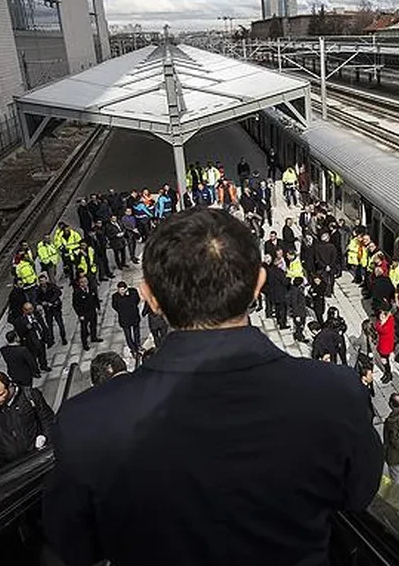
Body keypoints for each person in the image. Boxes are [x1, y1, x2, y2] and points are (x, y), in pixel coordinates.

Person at [43, 208, 381, 566]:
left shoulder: (87, 422)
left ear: (150, 297)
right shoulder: (336, 394)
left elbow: (75, 545)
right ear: (258, 284)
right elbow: (358, 495)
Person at [0, 372, 55, 469]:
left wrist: (45, 438)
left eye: (0, 394)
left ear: (10, 387)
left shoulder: (30, 395)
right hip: (10, 466)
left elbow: (47, 418)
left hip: (37, 457)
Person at [14, 302, 50, 372]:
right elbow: (20, 332)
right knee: (33, 357)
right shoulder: (21, 320)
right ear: (24, 310)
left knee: (42, 354)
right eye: (27, 310)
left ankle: (44, 366)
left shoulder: (36, 314)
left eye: (30, 309)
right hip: (31, 341)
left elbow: (42, 324)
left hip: (40, 337)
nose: (29, 311)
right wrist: (27, 328)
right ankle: (35, 370)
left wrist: (46, 334)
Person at [112, 280, 143, 359]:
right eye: (119, 290)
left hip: (134, 317)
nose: (120, 292)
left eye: (122, 290)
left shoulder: (133, 292)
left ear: (126, 289)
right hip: (124, 319)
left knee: (136, 332)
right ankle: (133, 349)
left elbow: (137, 300)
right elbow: (115, 306)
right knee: (128, 335)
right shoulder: (115, 296)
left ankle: (138, 345)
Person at [72, 275, 102, 350]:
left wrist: (98, 308)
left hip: (92, 310)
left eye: (85, 281)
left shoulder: (91, 288)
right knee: (84, 329)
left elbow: (96, 298)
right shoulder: (77, 292)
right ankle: (84, 344)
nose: (84, 283)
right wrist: (80, 315)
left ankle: (94, 337)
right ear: (79, 283)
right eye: (82, 282)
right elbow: (75, 305)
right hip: (84, 313)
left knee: (93, 325)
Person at [37, 274, 67, 346]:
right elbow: (37, 299)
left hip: (55, 307)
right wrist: (41, 303)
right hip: (47, 310)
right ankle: (51, 339)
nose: (42, 282)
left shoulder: (52, 286)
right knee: (49, 325)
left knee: (60, 323)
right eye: (41, 281)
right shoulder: (38, 290)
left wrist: (51, 301)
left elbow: (59, 292)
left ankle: (63, 338)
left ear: (46, 279)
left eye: (43, 280)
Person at [373, 307, 395, 384]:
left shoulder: (390, 321)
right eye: (380, 315)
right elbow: (377, 327)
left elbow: (384, 330)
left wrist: (385, 320)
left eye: (383, 315)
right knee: (384, 360)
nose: (382, 317)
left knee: (385, 360)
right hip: (381, 344)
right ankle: (387, 373)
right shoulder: (379, 323)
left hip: (387, 346)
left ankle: (388, 374)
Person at [286, 276, 308, 344]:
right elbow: (294, 304)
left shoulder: (297, 289)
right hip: (299, 312)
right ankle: (299, 336)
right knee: (300, 325)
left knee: (300, 324)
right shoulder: (295, 292)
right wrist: (297, 315)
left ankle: (298, 334)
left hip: (301, 310)